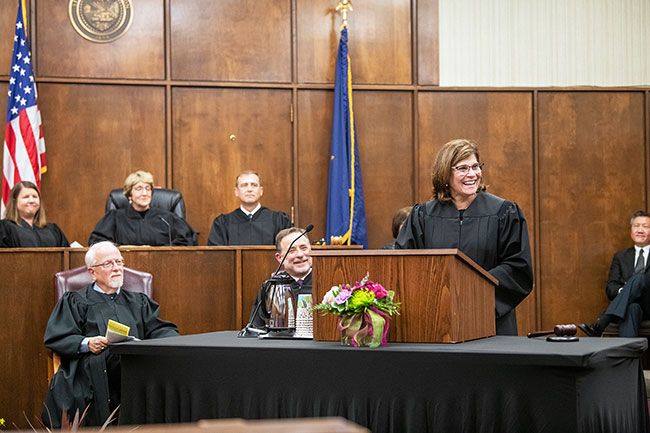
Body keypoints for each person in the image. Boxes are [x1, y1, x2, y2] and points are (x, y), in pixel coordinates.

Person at [395, 138, 533, 335]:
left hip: (491, 322)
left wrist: (473, 291)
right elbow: (407, 264)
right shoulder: (423, 216)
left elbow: (518, 267)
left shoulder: (504, 212)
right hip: (438, 323)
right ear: (445, 173)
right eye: (462, 168)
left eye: (475, 166)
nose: (472, 174)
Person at [42, 241, 179, 427]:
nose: (117, 268)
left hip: (136, 365)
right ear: (92, 272)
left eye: (119, 262)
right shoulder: (75, 301)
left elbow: (160, 329)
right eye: (108, 264)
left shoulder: (138, 301)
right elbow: (57, 336)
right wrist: (87, 343)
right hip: (92, 368)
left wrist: (165, 342)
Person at [579, 210, 650, 337]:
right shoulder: (620, 257)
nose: (640, 230)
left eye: (645, 227)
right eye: (636, 226)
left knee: (639, 278)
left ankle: (604, 320)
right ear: (631, 230)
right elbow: (611, 288)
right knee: (632, 308)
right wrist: (628, 290)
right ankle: (628, 356)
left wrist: (636, 284)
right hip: (629, 307)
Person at [88, 170, 196, 246]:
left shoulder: (166, 218)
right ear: (129, 194)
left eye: (148, 189)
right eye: (139, 188)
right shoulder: (115, 218)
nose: (144, 193)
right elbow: (98, 243)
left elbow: (188, 241)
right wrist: (122, 249)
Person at [246, 227, 312, 330]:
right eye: (291, 250)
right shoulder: (270, 287)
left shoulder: (327, 281)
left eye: (304, 248)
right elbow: (256, 327)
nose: (300, 255)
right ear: (279, 258)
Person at [208, 170, 292, 245]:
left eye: (254, 185)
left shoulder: (279, 220)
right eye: (244, 185)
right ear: (236, 191)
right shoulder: (222, 223)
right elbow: (216, 257)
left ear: (261, 191)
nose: (249, 189)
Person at [0, 181, 69, 247]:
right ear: (15, 201)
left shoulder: (53, 230)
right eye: (26, 197)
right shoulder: (4, 228)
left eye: (35, 197)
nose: (31, 201)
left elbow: (66, 254)